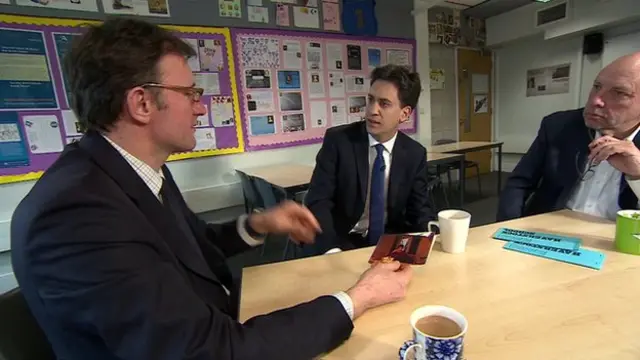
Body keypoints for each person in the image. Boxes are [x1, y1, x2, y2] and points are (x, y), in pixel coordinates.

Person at [10, 18, 413, 360]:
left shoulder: (130, 172)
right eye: (189, 94)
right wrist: (355, 299)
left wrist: (257, 224)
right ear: (141, 104)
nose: (201, 106)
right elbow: (212, 351)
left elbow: (191, 245)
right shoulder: (78, 216)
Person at [303, 64, 433, 256]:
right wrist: (331, 250)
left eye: (384, 104)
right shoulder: (339, 141)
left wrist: (425, 242)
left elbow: (420, 210)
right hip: (342, 240)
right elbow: (318, 201)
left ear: (404, 114)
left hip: (391, 244)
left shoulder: (414, 153)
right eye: (371, 100)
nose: (372, 110)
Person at [497, 52, 640, 222]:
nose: (596, 100)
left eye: (619, 92)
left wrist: (638, 174)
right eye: (597, 86)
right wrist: (508, 227)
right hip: (548, 230)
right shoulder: (559, 125)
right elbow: (519, 183)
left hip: (616, 239)